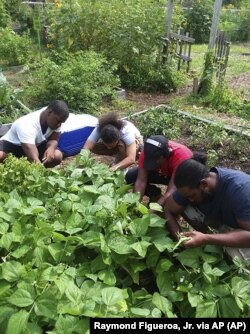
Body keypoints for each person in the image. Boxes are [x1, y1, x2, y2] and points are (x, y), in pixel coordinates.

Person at [164, 158, 250, 249]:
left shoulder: (241, 190)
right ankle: (208, 236)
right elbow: (168, 210)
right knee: (184, 206)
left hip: (244, 226)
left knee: (237, 257)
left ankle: (216, 239)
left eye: (192, 196)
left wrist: (206, 239)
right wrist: (180, 239)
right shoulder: (190, 185)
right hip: (224, 218)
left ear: (204, 184)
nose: (190, 200)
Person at [125, 135, 205, 206]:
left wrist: (154, 209)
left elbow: (171, 190)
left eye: (155, 161)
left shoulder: (181, 157)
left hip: (180, 177)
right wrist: (135, 204)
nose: (152, 163)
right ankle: (155, 194)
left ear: (165, 155)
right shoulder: (147, 151)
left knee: (173, 200)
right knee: (131, 176)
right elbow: (141, 181)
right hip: (162, 172)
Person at [0, 100, 69, 167]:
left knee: (57, 155)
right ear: (49, 113)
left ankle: (32, 170)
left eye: (61, 122)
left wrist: (51, 148)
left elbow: (54, 139)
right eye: (58, 121)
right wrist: (41, 176)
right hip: (13, 145)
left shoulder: (55, 119)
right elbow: (33, 158)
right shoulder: (27, 124)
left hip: (35, 144)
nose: (59, 125)